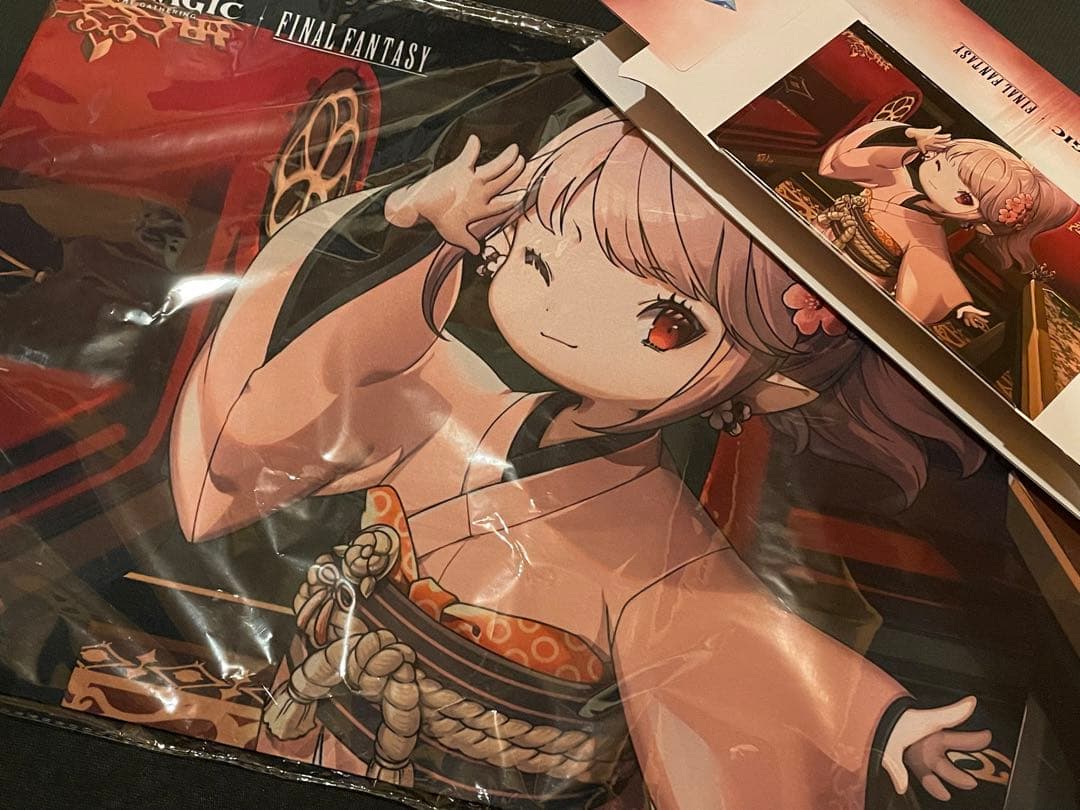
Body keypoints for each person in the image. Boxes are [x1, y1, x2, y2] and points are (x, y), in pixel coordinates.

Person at [170, 109, 991, 809]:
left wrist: (881, 726)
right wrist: (412, 227)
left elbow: (739, 644)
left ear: (772, 386)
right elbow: (304, 403)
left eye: (667, 324)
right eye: (540, 260)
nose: (564, 322)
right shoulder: (455, 399)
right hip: (307, 728)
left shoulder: (659, 539)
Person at [818, 120, 1076, 329]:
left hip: (853, 283)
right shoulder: (894, 181)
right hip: (816, 236)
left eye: (964, 198)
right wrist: (909, 137)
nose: (940, 184)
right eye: (940, 165)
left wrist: (960, 306)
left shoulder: (929, 239)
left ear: (984, 226)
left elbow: (935, 277)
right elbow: (839, 163)